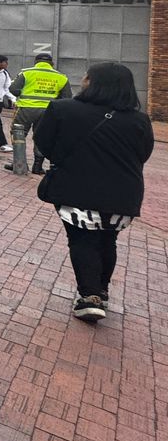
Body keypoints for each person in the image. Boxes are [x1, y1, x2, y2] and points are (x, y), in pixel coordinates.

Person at [33, 63, 153, 322]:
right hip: (124, 193)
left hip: (77, 189)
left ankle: (90, 297)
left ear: (92, 82)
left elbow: (43, 142)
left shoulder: (63, 109)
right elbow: (143, 154)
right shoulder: (139, 120)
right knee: (107, 240)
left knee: (82, 240)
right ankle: (101, 291)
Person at [5, 51, 71, 177]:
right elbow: (67, 97)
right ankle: (38, 166)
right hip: (48, 111)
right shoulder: (61, 77)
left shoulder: (27, 72)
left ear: (36, 62)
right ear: (52, 63)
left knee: (19, 133)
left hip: (26, 108)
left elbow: (13, 89)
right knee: (41, 136)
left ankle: (19, 163)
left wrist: (24, 93)